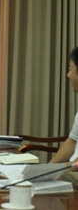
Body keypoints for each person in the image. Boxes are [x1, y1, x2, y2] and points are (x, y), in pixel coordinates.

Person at [49, 46, 78, 185]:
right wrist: (49, 166)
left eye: (71, 69)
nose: (68, 75)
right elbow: (72, 140)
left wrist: (61, 170)